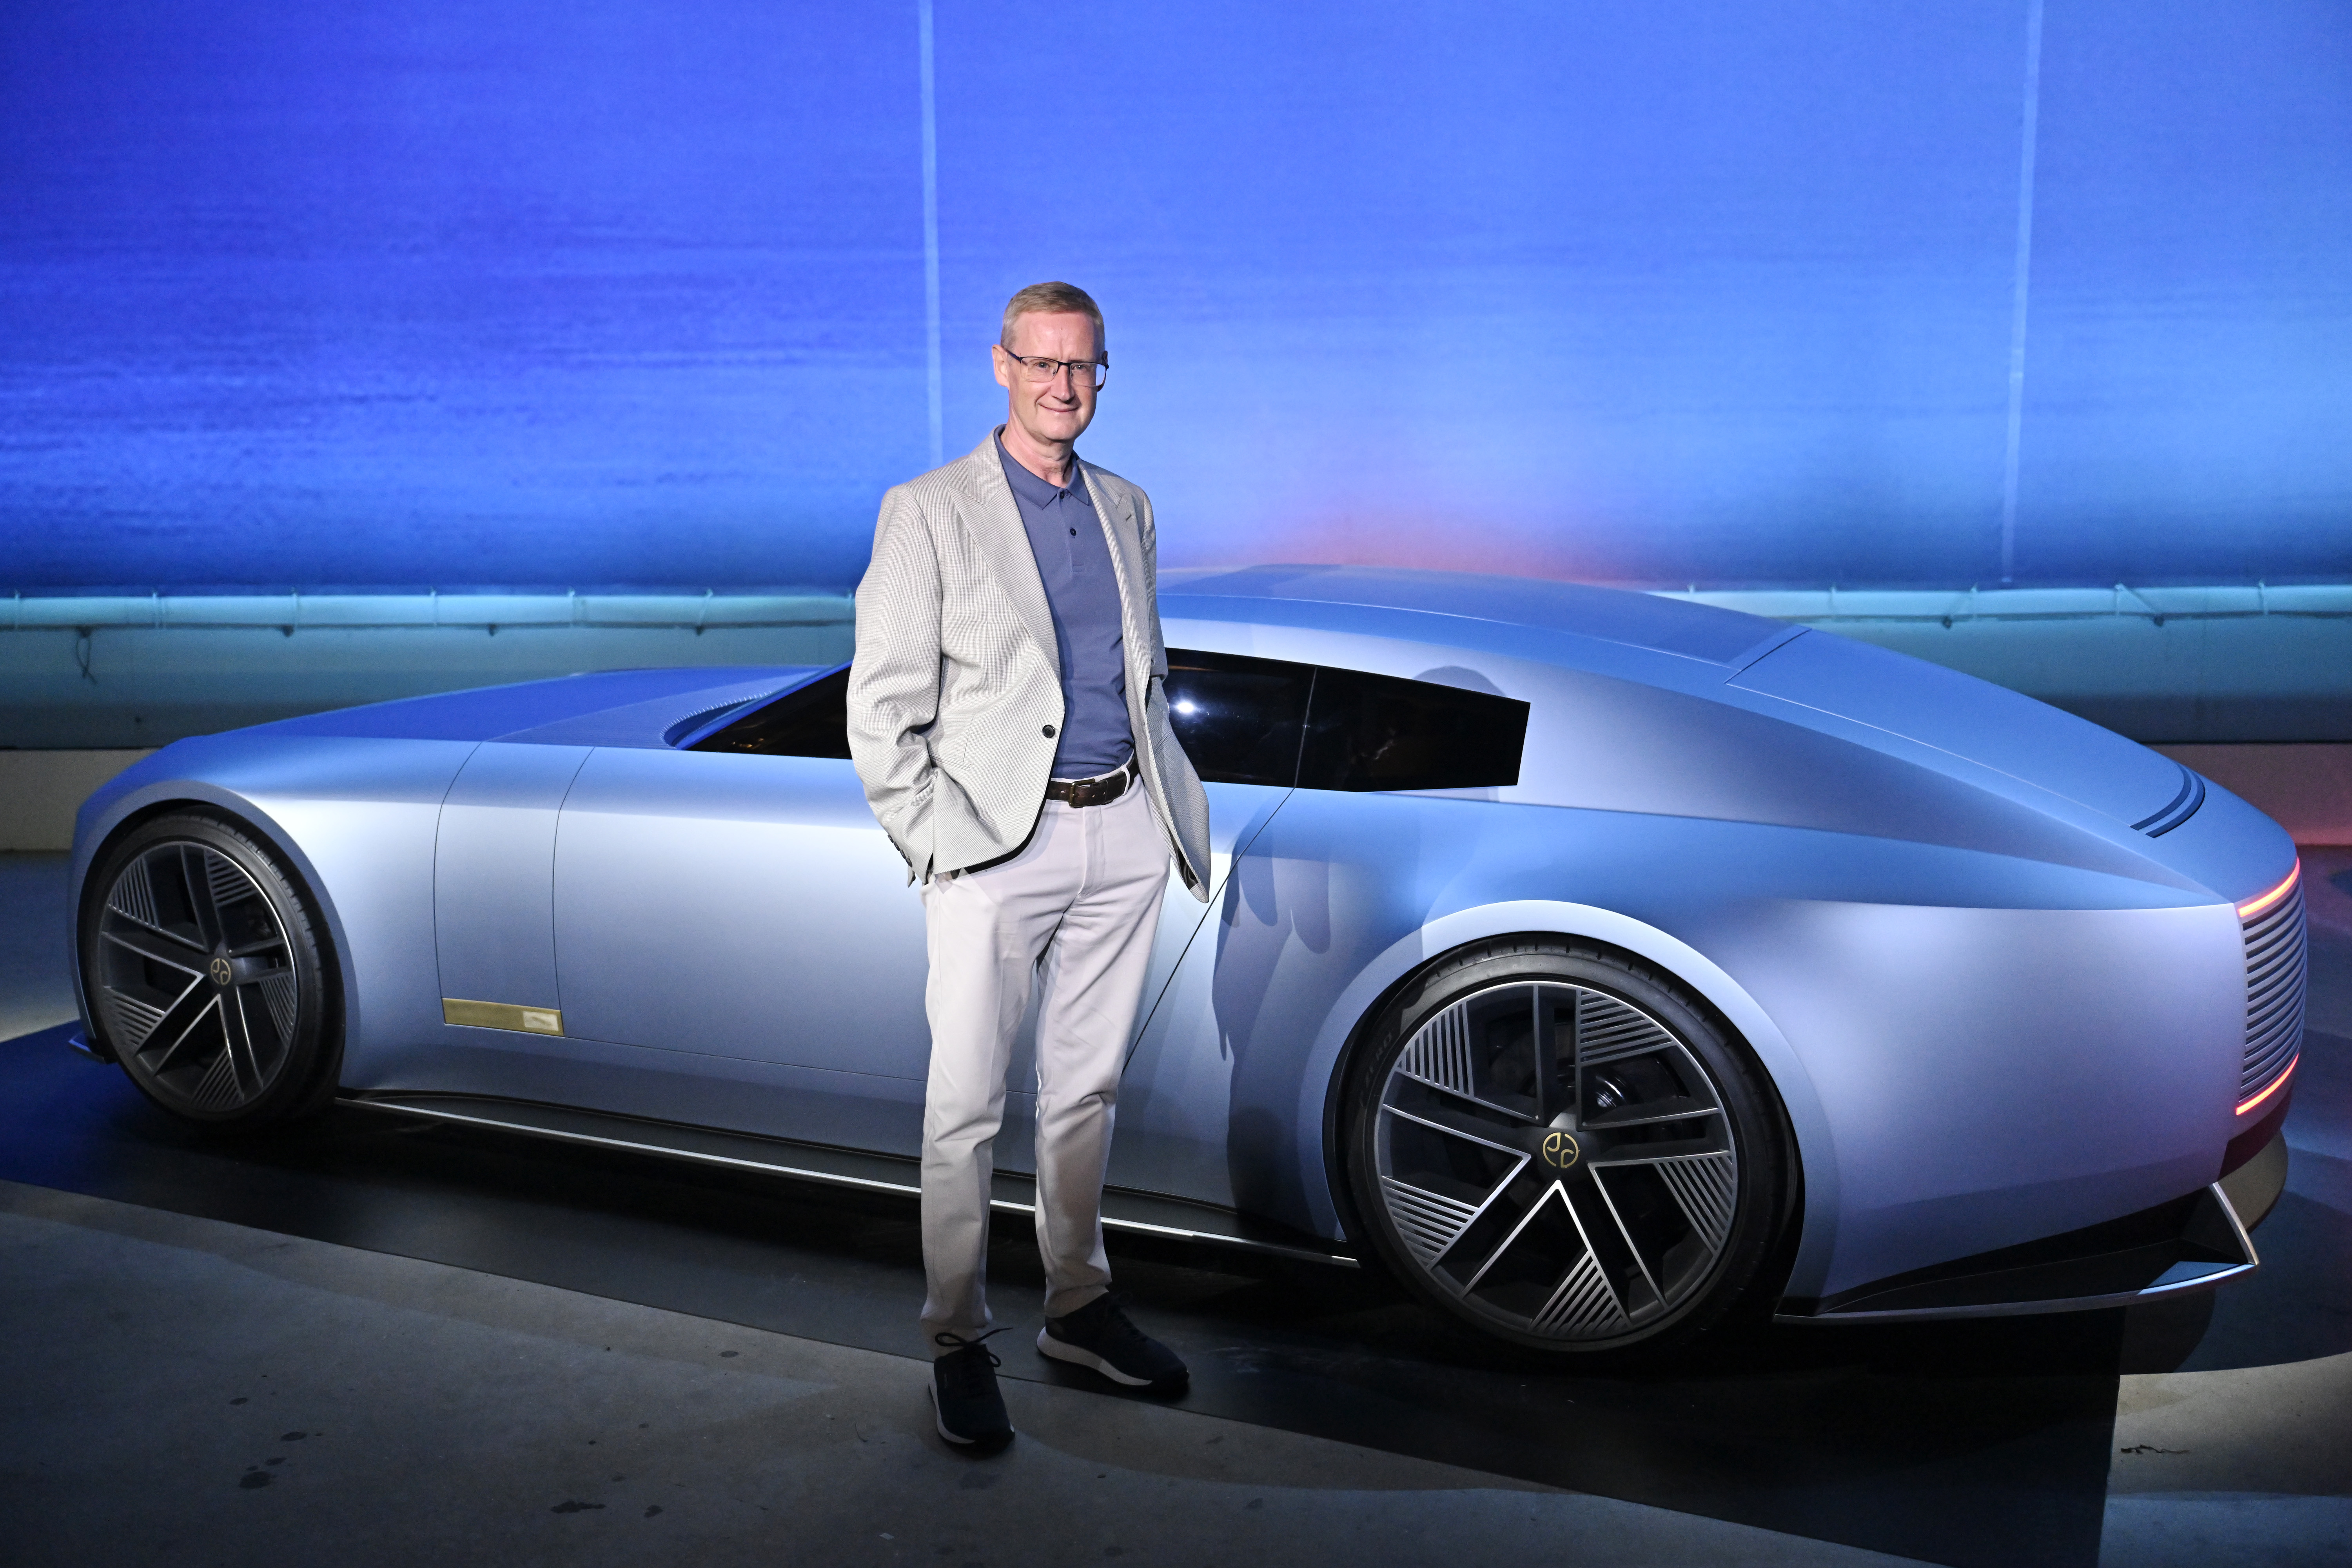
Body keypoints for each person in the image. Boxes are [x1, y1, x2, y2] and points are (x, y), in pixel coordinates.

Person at [846, 281, 1212, 1452]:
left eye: (1085, 367)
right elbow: (882, 712)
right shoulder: (930, 510)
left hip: (1123, 832)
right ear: (1000, 366)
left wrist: (1162, 814)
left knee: (1085, 1095)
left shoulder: (1129, 507)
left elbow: (1134, 678)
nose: (1064, 386)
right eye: (1043, 365)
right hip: (997, 847)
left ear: (1104, 372)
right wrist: (939, 846)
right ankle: (957, 1336)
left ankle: (1078, 1305)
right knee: (964, 1107)